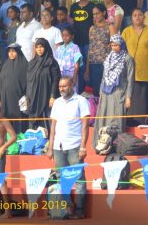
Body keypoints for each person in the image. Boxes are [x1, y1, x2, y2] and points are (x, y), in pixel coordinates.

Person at [46, 77, 90, 220]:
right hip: (58, 146)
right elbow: (53, 127)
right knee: (61, 179)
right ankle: (67, 208)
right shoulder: (57, 102)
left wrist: (83, 147)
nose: (61, 89)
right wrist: (50, 147)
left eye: (64, 86)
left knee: (79, 178)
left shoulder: (81, 101)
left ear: (72, 85)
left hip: (74, 145)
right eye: (60, 86)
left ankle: (80, 209)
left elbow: (85, 126)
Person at [122, 8, 148, 126]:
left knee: (143, 98)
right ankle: (130, 123)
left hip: (146, 70)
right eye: (135, 15)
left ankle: (143, 123)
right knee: (131, 97)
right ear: (131, 18)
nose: (137, 17)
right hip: (129, 71)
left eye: (140, 15)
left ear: (144, 17)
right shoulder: (126, 31)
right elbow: (120, 50)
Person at [93, 35, 134, 142]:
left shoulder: (127, 58)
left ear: (122, 45)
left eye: (116, 45)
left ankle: (116, 143)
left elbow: (130, 79)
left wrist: (128, 97)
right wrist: (101, 93)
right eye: (112, 45)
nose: (114, 48)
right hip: (106, 93)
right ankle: (102, 142)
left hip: (119, 93)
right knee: (104, 116)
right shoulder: (109, 58)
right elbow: (104, 77)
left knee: (116, 118)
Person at [26, 38, 61, 130]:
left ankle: (48, 138)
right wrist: (27, 97)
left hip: (46, 96)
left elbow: (55, 80)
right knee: (33, 121)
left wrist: (52, 96)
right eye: (37, 47)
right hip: (33, 97)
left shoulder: (52, 62)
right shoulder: (31, 63)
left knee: (46, 119)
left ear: (46, 48)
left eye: (41, 47)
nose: (39, 49)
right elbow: (28, 82)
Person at [0, 43, 29, 134]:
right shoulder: (6, 65)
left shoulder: (25, 66)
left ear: (18, 52)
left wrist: (27, 97)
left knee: (18, 121)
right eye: (9, 51)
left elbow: (29, 84)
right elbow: (0, 83)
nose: (11, 53)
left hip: (19, 99)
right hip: (5, 99)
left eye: (13, 51)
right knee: (6, 118)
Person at [85, 4, 110, 94]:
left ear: (104, 13)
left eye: (97, 13)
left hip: (106, 63)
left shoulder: (110, 27)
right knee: (96, 92)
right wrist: (87, 69)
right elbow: (90, 48)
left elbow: (114, 47)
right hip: (94, 63)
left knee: (106, 92)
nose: (95, 16)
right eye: (94, 14)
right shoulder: (92, 29)